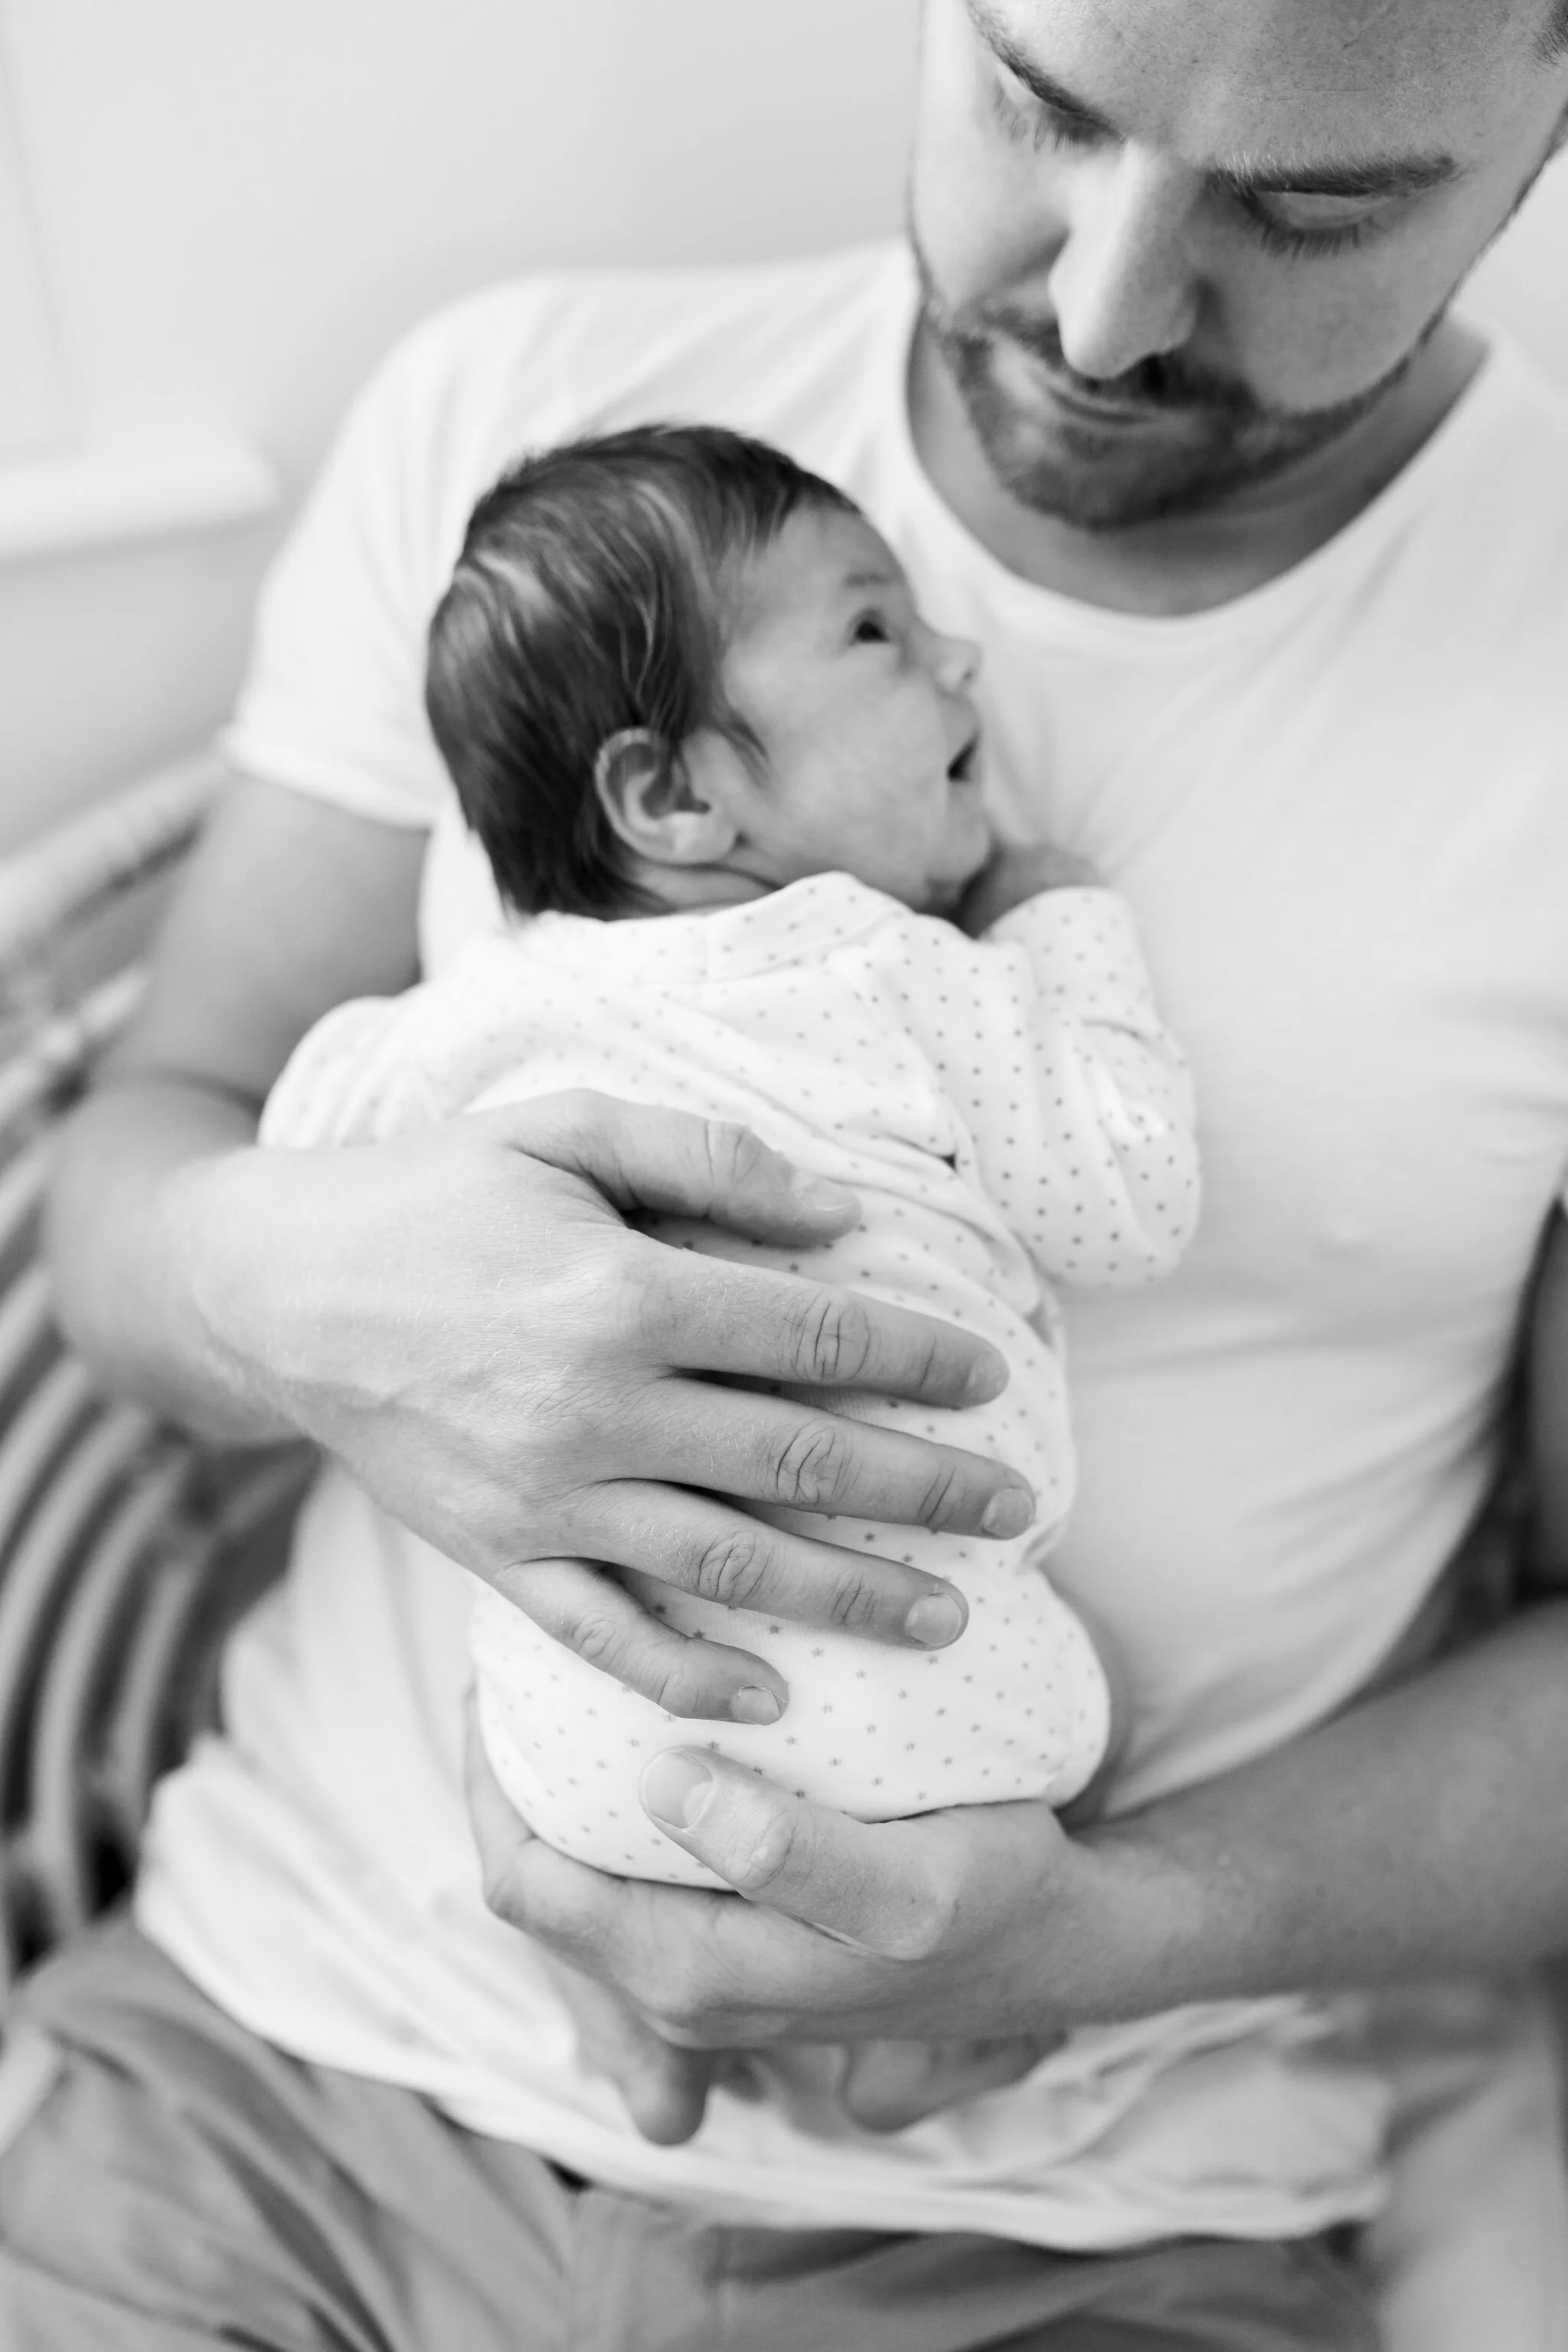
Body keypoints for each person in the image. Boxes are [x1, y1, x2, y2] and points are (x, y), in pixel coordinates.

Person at [7, 1, 1568, 2346]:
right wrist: (316, 1292)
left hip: (1082, 2205)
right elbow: (151, 1156)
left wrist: (1113, 1933)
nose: (1109, 307)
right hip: (279, 2044)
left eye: (1310, 201)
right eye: (1040, 106)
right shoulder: (525, 457)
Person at [262, 420, 1200, 1885]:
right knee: (1120, 1707)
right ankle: (926, 2042)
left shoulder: (467, 1020)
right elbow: (1126, 1203)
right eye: (876, 630)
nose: (959, 659)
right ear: (678, 799)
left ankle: (637, 2022)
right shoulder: (893, 968)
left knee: (531, 1768)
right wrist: (1060, 924)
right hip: (933, 1708)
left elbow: (297, 1179)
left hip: (584, 1738)